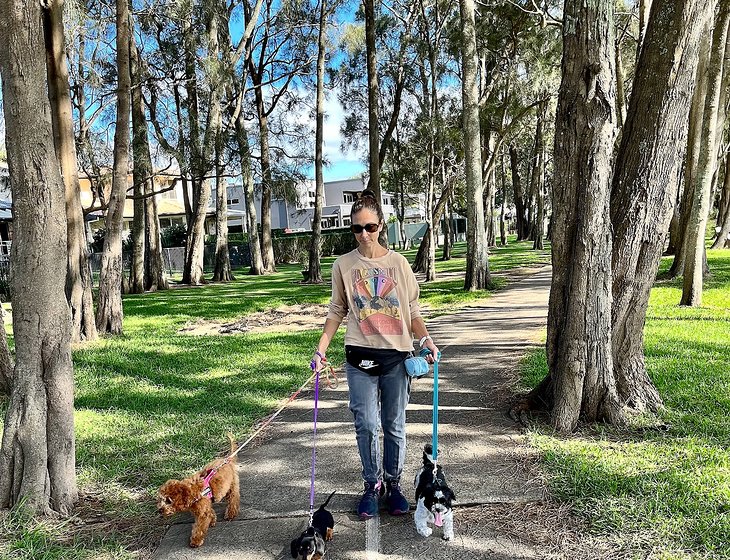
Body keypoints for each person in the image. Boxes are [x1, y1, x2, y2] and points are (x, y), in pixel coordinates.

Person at [312, 189, 439, 519]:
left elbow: (412, 310)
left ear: (381, 225)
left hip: (396, 356)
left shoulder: (398, 264)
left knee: (394, 425)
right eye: (357, 228)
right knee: (367, 425)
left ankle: (393, 484)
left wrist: (426, 339)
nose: (364, 234)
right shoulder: (343, 265)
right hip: (359, 356)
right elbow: (337, 310)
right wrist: (321, 350)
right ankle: (372, 485)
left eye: (369, 227)